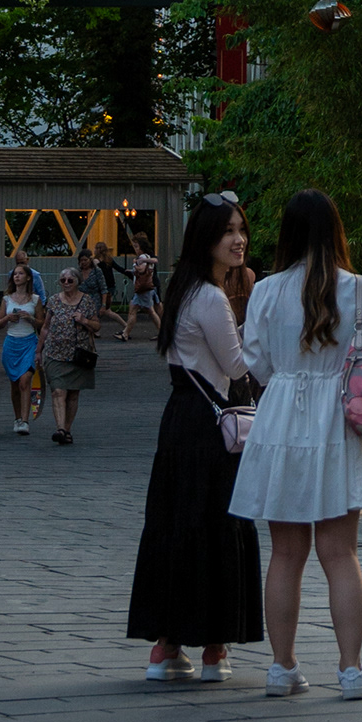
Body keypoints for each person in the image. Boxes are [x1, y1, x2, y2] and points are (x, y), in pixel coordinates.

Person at [231, 189, 362, 701]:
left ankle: (282, 666)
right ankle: (351, 670)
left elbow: (256, 362)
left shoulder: (267, 290)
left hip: (279, 422)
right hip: (336, 421)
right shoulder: (360, 289)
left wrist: (293, 378)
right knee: (341, 553)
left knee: (285, 553)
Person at [128, 197, 265, 682]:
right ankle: (214, 647)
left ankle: (165, 648)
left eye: (241, 229)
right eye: (228, 230)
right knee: (215, 524)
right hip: (212, 426)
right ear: (206, 238)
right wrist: (266, 336)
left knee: (176, 522)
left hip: (181, 418)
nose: (238, 238)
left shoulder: (184, 289)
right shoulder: (209, 296)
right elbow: (237, 366)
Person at [38, 265, 102, 444]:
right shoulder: (53, 301)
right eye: (63, 280)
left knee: (73, 393)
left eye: (70, 280)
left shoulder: (87, 301)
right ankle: (59, 428)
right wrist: (38, 350)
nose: (66, 283)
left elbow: (97, 326)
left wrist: (85, 320)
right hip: (55, 353)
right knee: (58, 391)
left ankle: (66, 430)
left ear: (77, 282)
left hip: (79, 354)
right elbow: (45, 327)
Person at [0, 263, 43, 432]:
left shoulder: (35, 299)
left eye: (20, 274)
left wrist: (29, 318)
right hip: (11, 343)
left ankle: (25, 420)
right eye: (15, 274)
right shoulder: (7, 299)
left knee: (25, 381)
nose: (17, 277)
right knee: (15, 383)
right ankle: (17, 417)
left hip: (29, 342)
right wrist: (9, 317)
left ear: (28, 277)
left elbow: (42, 322)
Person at [121, 250, 162, 344]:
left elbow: (141, 270)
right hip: (144, 290)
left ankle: (126, 333)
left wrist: (135, 264)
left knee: (145, 311)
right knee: (136, 310)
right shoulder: (148, 258)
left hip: (143, 290)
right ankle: (126, 332)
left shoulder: (142, 257)